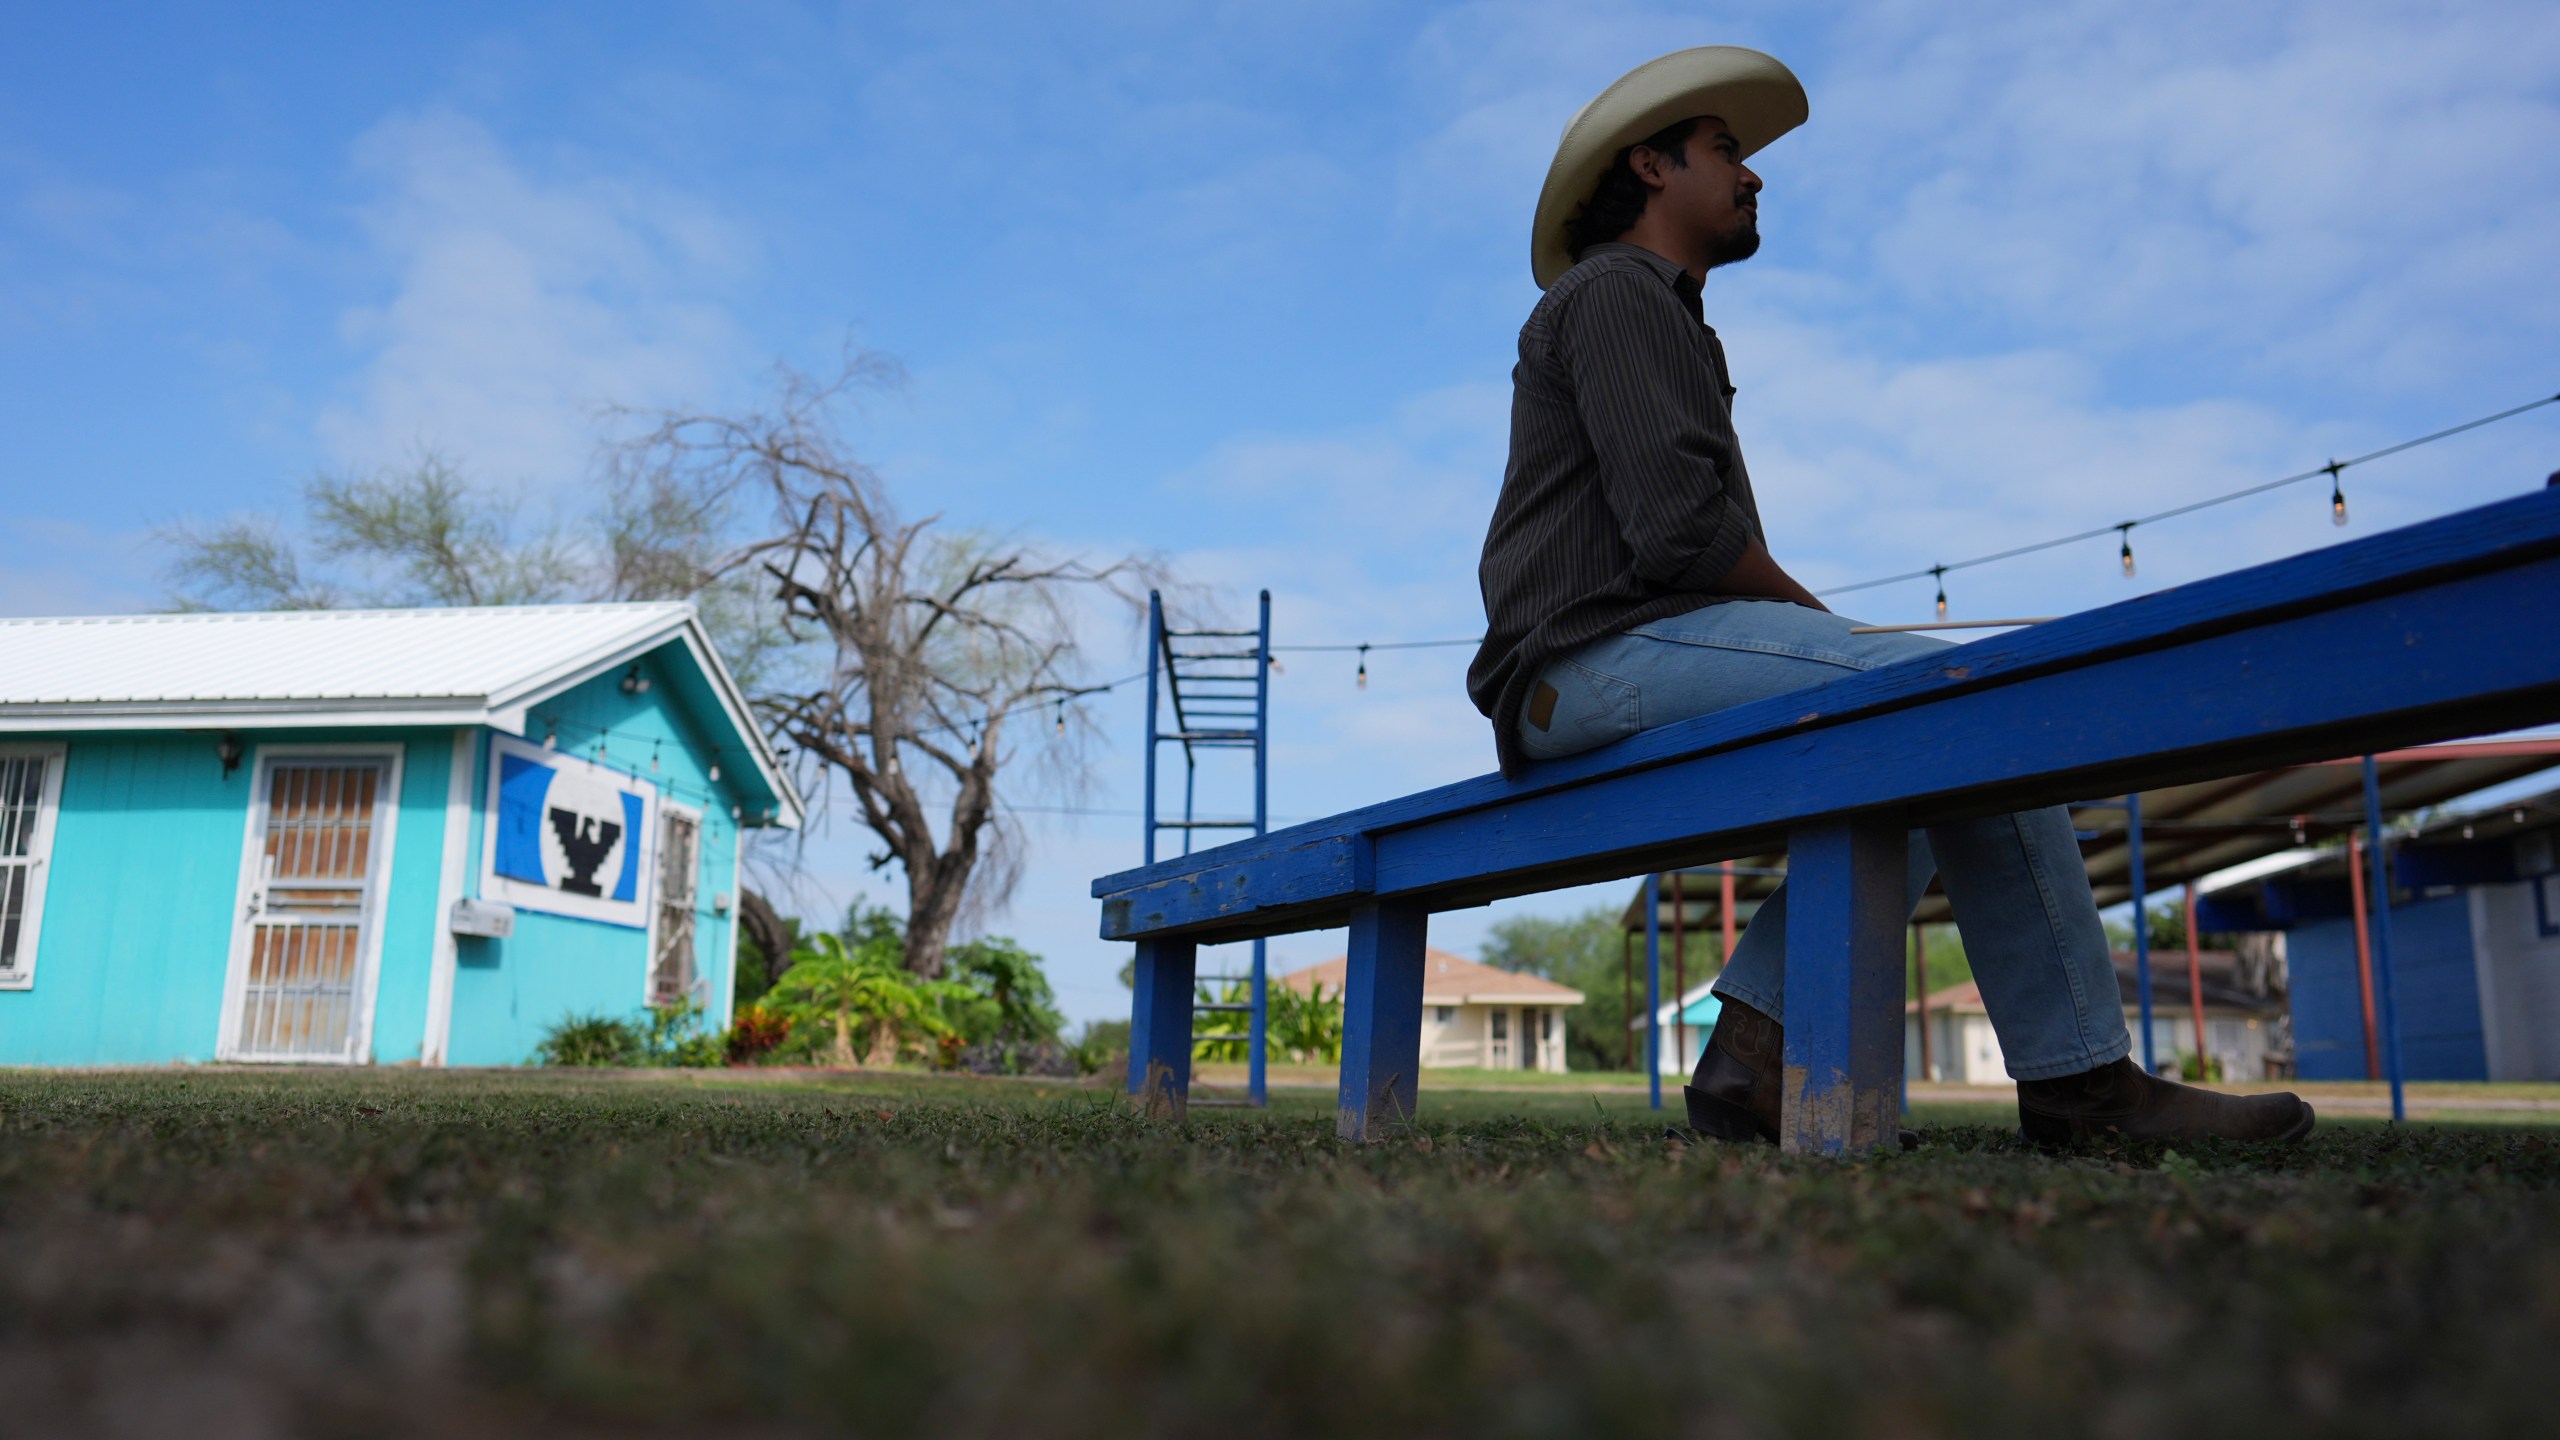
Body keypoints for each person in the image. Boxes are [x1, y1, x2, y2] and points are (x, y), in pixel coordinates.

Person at [1467, 46, 2313, 1148]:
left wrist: (1829, 635)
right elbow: (1682, 531)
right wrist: (1837, 630)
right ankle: (2081, 1087)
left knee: (1914, 730)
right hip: (1587, 660)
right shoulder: (1619, 292)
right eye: (1726, 149)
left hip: (1607, 660)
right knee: (1953, 701)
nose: (1753, 173)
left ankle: (1753, 1061)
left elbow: (1691, 537)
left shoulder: (1661, 315)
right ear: (1651, 164)